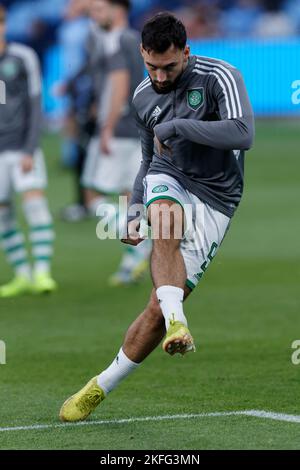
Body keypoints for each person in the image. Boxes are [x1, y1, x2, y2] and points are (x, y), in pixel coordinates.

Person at [59, 12, 254, 422]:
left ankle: (101, 384)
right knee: (163, 218)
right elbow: (148, 161)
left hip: (218, 197)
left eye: (169, 66)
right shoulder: (144, 96)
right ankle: (179, 324)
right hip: (172, 176)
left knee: (155, 309)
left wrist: (182, 126)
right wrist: (133, 210)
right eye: (151, 66)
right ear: (142, 55)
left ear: (186, 51)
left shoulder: (220, 76)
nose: (160, 77)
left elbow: (243, 133)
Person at [80, 0, 151, 285]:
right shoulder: (132, 39)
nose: (94, 15)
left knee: (91, 195)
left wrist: (107, 125)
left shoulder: (118, 39)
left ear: (117, 10)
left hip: (118, 129)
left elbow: (120, 82)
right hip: (133, 127)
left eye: (99, 9)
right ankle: (131, 259)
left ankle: (141, 242)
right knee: (127, 195)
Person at [0, 4, 56, 297]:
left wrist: (30, 148)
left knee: (34, 203)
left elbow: (35, 103)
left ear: (4, 24)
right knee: (3, 214)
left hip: (22, 147)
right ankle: (22, 274)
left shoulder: (22, 57)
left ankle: (42, 272)